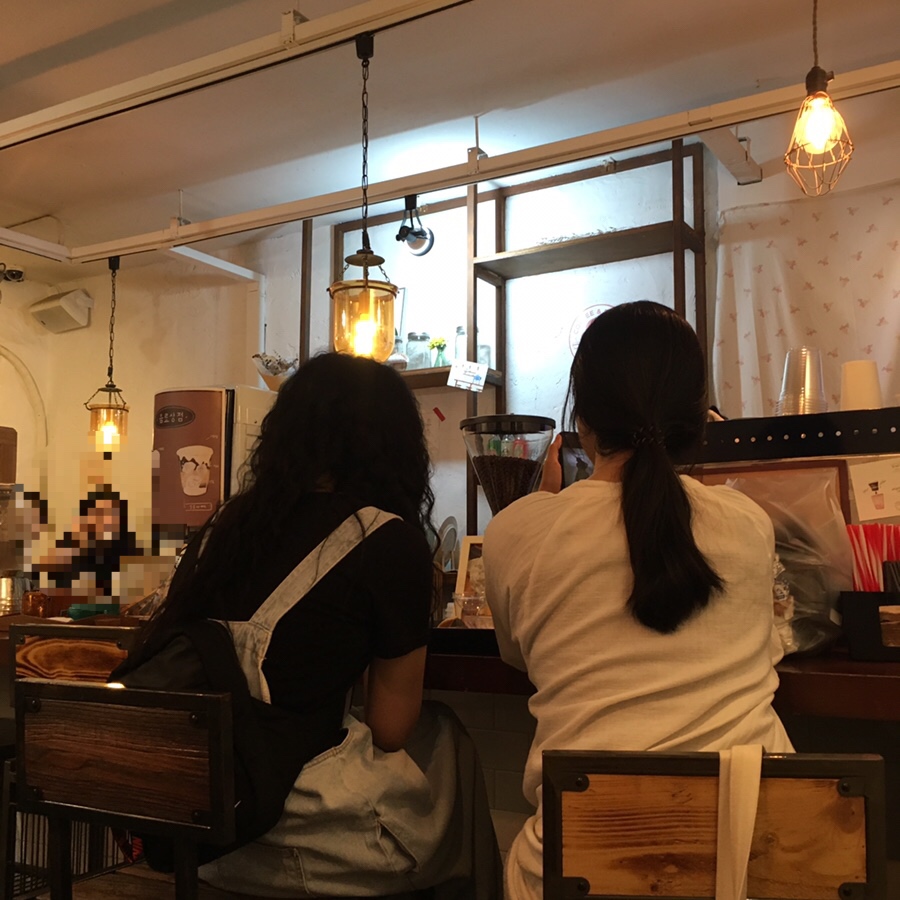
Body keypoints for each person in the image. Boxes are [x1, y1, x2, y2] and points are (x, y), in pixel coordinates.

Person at [121, 352, 501, 899]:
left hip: (198, 840)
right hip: (301, 841)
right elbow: (391, 728)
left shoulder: (225, 527)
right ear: (393, 446)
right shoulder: (387, 540)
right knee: (447, 738)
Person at [483, 301, 793, 900]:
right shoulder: (747, 522)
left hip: (573, 872)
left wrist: (539, 508)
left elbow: (517, 657)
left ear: (583, 421)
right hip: (750, 866)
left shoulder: (517, 530)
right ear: (698, 420)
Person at [40, 487, 140, 597]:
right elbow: (50, 582)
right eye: (99, 513)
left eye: (112, 513)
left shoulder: (128, 545)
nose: (105, 519)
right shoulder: (73, 541)